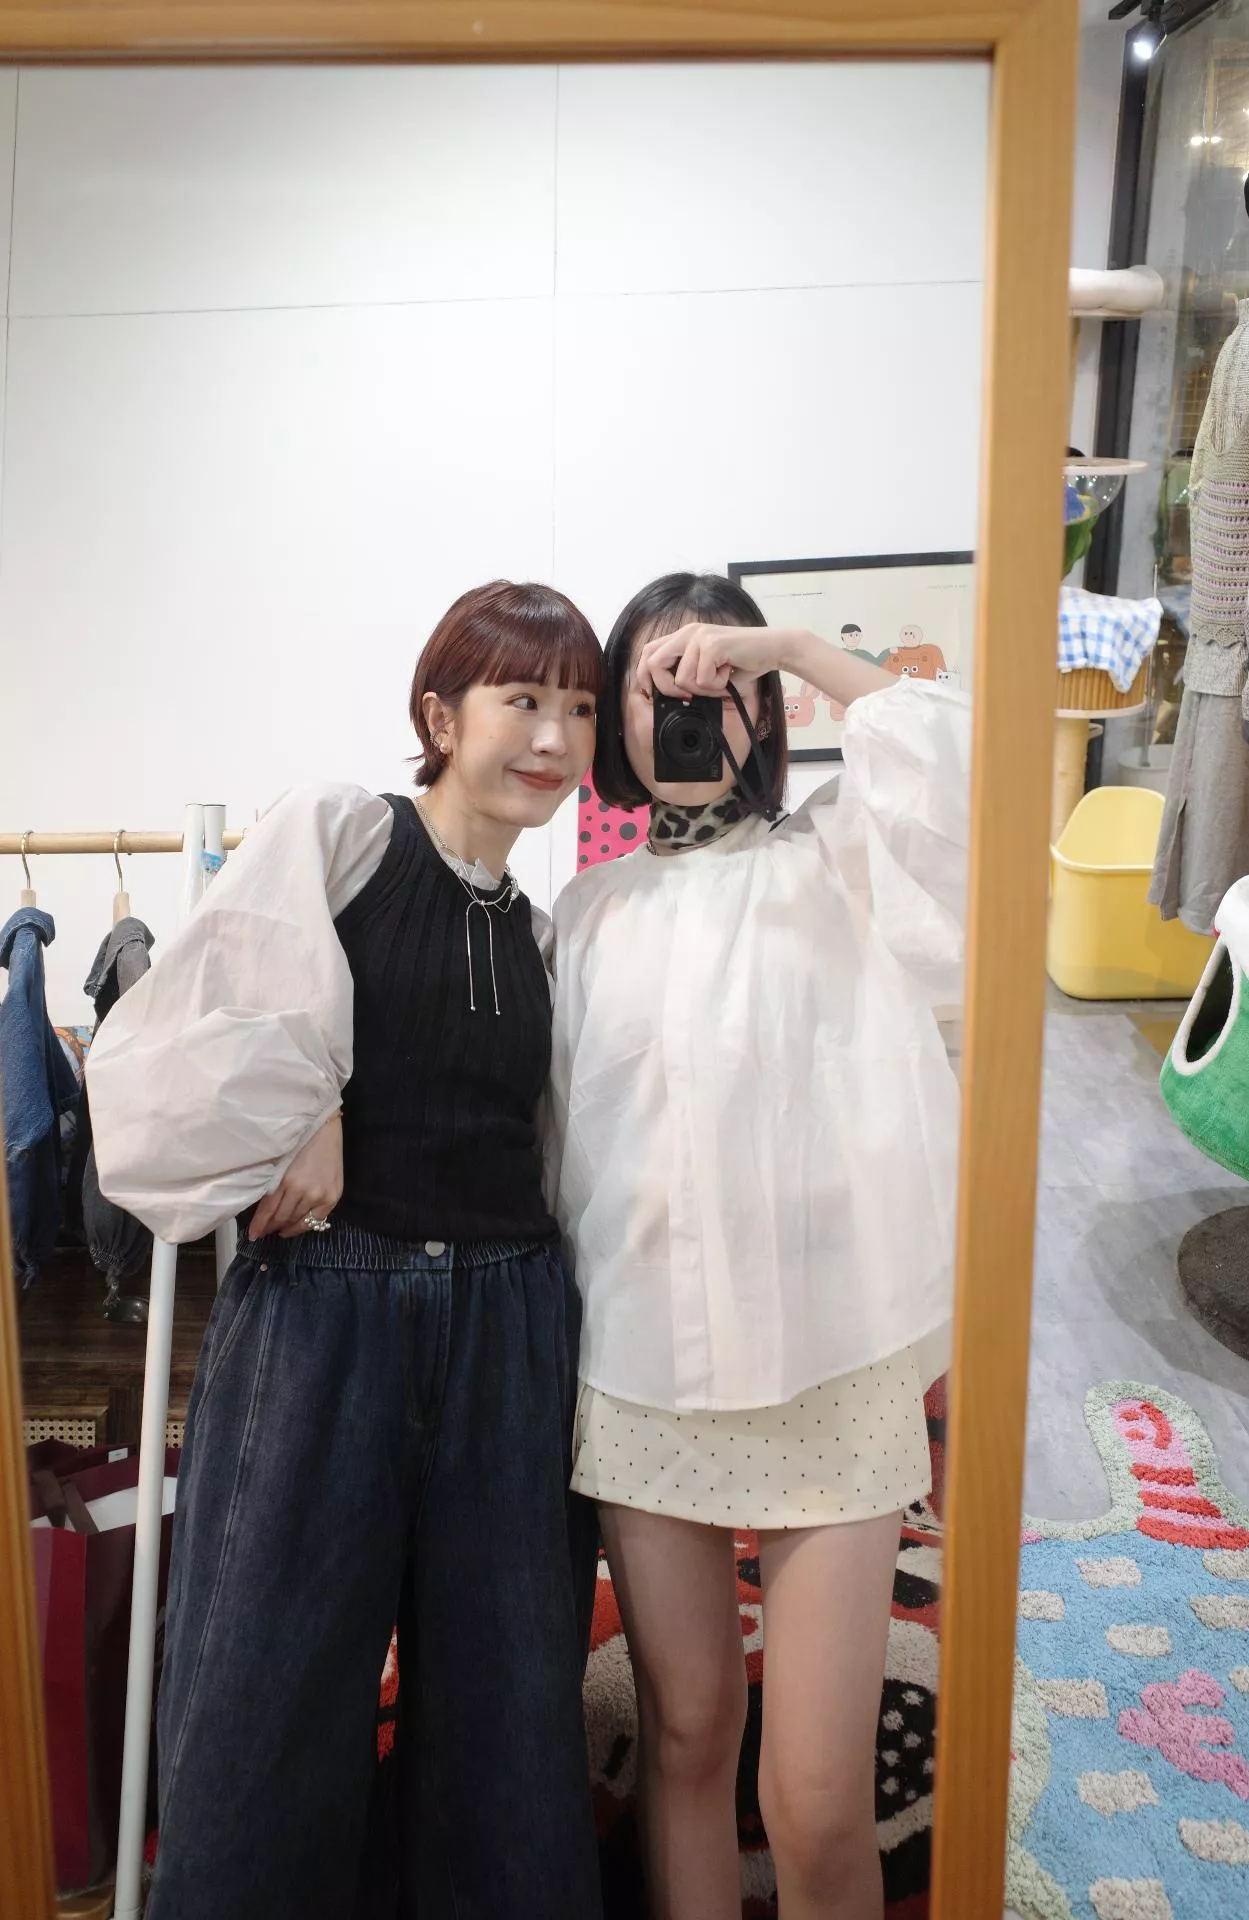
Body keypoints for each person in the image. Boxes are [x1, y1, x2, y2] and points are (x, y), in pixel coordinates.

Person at [87, 581, 605, 1920]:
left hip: (509, 1329)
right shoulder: (343, 836)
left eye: (578, 708)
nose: (554, 737)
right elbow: (189, 1033)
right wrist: (307, 1104)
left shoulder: (547, 937)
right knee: (262, 1693)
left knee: (507, 1715)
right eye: (522, 699)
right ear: (440, 715)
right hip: (325, 1311)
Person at [546, 572, 970, 1920]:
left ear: (766, 710)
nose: (688, 712)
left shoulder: (839, 862)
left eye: (719, 687)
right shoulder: (587, 917)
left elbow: (958, 767)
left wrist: (780, 644)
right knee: (685, 1735)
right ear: (615, 722)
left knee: (814, 1796)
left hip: (833, 1366)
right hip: (641, 1373)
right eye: (656, 689)